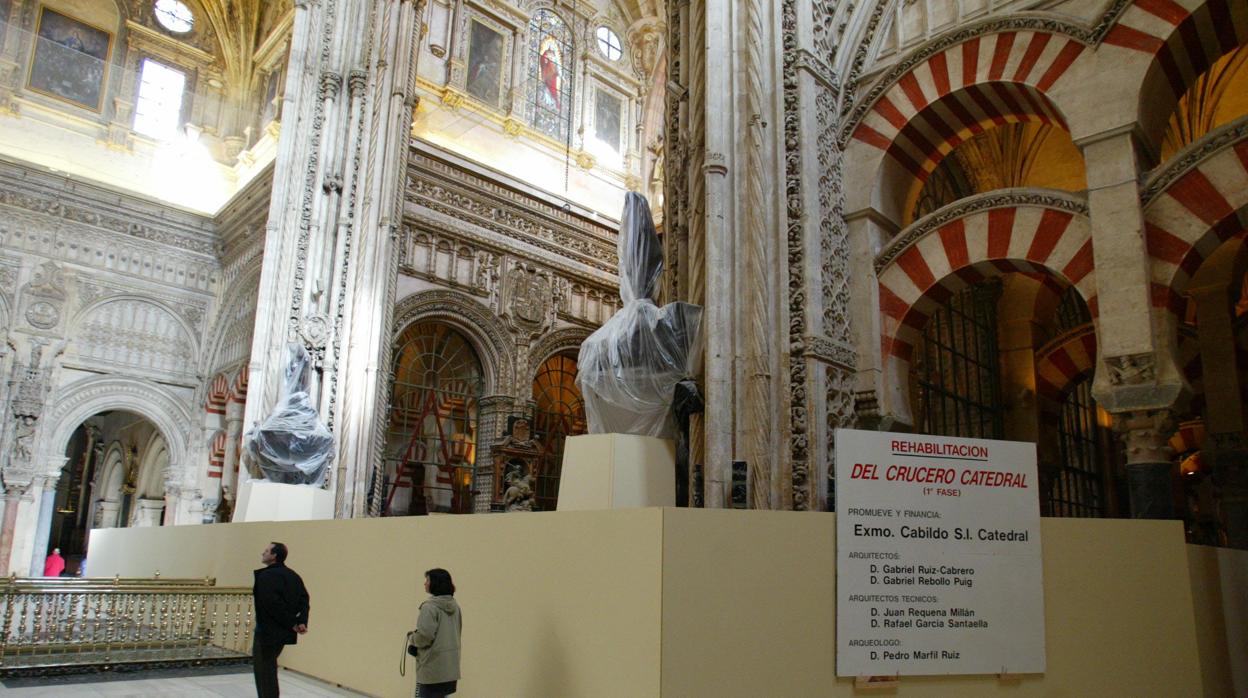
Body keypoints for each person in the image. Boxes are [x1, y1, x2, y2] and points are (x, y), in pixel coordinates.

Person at [253, 542, 310, 698]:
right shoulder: (293, 575)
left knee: (264, 671)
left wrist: (292, 622)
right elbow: (304, 599)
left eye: (266, 551)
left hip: (267, 631)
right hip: (283, 632)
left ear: (274, 555)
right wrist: (301, 621)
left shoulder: (267, 576)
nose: (263, 553)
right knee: (269, 667)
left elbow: (272, 604)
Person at [411, 568, 462, 698]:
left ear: (435, 583)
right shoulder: (455, 606)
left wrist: (412, 638)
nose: (425, 583)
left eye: (427, 580)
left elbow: (424, 637)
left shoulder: (429, 608)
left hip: (431, 670)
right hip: (450, 669)